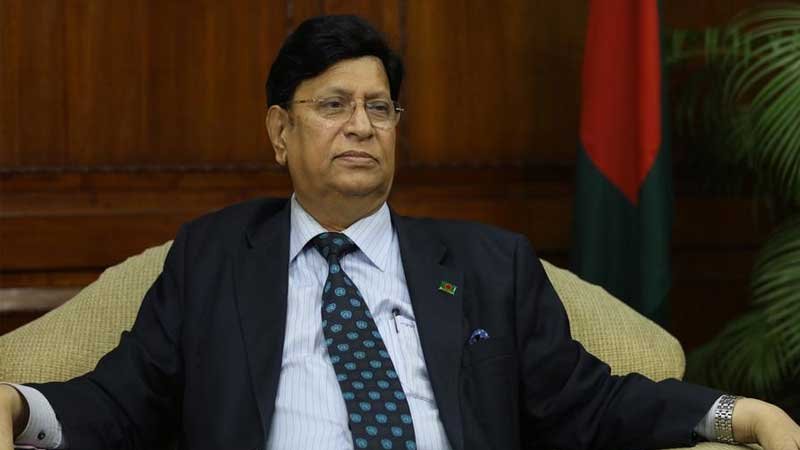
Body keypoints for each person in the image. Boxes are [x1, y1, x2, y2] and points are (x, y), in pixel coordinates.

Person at [1, 14, 799, 450]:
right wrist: (15, 404)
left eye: (378, 108)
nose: (361, 126)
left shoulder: (489, 265)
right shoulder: (211, 258)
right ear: (280, 131)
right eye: (333, 105)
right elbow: (119, 400)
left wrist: (738, 414)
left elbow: (592, 402)